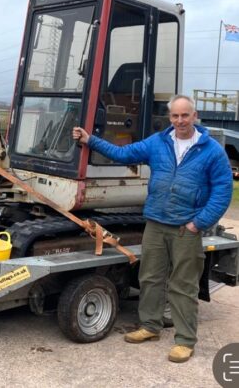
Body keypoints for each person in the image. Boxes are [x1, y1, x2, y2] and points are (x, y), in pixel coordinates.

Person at [73, 95, 232, 363]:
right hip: (156, 223)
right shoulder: (158, 143)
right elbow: (124, 154)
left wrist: (198, 223)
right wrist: (91, 140)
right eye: (175, 116)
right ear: (169, 118)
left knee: (183, 285)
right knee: (150, 278)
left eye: (185, 115)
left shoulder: (211, 151)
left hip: (186, 228)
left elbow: (223, 191)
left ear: (195, 117)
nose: (180, 121)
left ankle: (184, 340)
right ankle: (150, 326)